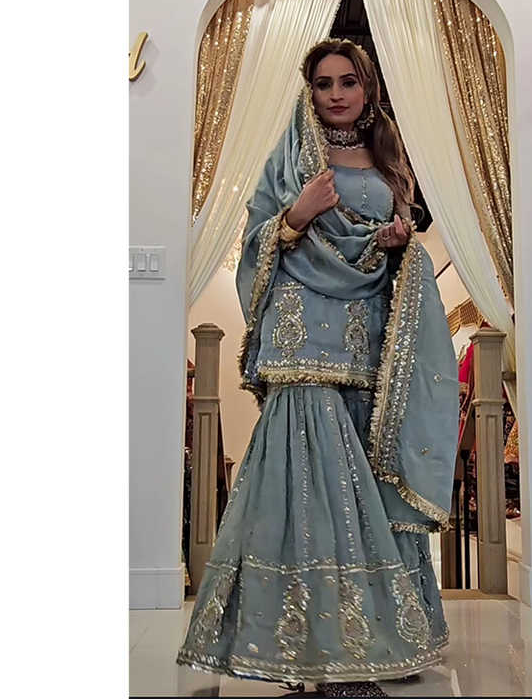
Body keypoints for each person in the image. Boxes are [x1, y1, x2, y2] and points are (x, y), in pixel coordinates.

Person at [176, 38, 460, 698]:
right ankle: (321, 653)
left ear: (367, 89)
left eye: (347, 82)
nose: (335, 94)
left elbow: (390, 247)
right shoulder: (293, 156)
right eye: (324, 83)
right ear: (311, 91)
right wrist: (297, 215)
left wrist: (396, 243)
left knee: (368, 486)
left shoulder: (388, 157)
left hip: (367, 340)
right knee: (313, 493)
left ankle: (381, 634)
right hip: (304, 342)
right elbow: (258, 240)